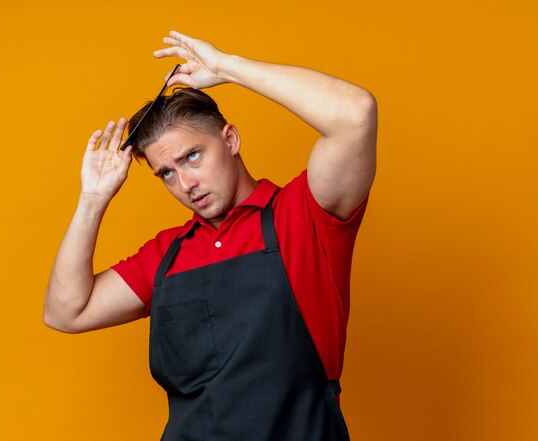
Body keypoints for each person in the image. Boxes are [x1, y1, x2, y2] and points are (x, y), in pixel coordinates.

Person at [44, 30, 377, 441]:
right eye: (167, 173)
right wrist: (93, 199)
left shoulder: (303, 215)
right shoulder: (166, 254)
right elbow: (65, 312)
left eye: (192, 156)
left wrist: (226, 68)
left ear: (231, 140)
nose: (185, 182)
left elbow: (356, 115)